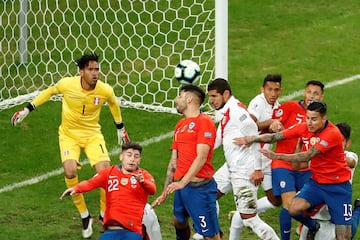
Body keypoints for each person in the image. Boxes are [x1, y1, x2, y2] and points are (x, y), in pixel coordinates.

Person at [11, 53, 129, 238]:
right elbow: (50, 92)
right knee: (70, 171)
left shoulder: (104, 90)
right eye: (90, 69)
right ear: (81, 72)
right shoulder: (68, 84)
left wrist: (120, 128)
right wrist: (28, 109)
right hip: (69, 135)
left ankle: (104, 214)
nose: (95, 73)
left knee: (105, 173)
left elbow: (113, 103)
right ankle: (84, 215)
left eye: (97, 69)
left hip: (92, 135)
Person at [234, 101, 353, 240]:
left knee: (344, 236)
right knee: (293, 208)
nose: (309, 122)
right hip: (317, 183)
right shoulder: (304, 127)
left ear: (324, 119)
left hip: (338, 187)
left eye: (314, 119)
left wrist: (277, 156)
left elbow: (308, 155)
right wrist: (253, 138)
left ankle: (357, 211)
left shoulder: (332, 134)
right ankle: (313, 226)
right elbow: (275, 137)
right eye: (307, 118)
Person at [206, 78, 279, 240]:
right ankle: (214, 233)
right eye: (210, 97)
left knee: (250, 219)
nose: (211, 101)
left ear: (225, 94)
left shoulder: (238, 113)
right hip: (230, 167)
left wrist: (258, 169)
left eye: (214, 96)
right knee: (208, 195)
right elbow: (218, 139)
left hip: (245, 170)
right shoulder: (227, 111)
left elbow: (254, 136)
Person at [151, 84, 221, 240]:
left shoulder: (205, 122)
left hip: (200, 190)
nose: (176, 99)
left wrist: (182, 182)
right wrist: (165, 191)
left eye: (180, 96)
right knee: (178, 221)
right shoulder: (179, 126)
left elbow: (201, 157)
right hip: (183, 188)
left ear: (189, 99)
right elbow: (173, 162)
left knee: (210, 236)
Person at [60, 142, 156, 240]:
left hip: (132, 231)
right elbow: (91, 183)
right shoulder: (109, 173)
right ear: (121, 157)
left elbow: (152, 190)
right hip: (111, 231)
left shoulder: (143, 175)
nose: (132, 159)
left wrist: (143, 182)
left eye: (136, 156)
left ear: (139, 160)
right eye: (129, 155)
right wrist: (76, 188)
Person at [266, 80, 324, 240]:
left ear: (322, 97)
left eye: (316, 93)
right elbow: (272, 123)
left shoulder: (320, 118)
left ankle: (309, 225)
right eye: (309, 92)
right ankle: (312, 226)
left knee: (309, 202)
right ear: (304, 93)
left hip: (305, 167)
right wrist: (274, 125)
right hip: (283, 164)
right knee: (288, 205)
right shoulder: (289, 107)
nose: (311, 96)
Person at [228, 74, 283, 239]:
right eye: (269, 89)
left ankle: (241, 211)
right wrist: (269, 124)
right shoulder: (258, 103)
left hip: (266, 162)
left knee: (275, 200)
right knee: (248, 215)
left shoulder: (278, 105)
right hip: (252, 162)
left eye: (276, 90)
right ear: (262, 89)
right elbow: (249, 126)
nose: (273, 93)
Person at [298, 122, 358, 240]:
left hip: (340, 198)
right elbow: (299, 165)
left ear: (348, 143)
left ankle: (358, 210)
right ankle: (310, 225)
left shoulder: (350, 155)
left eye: (340, 141)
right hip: (323, 198)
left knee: (347, 235)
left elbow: (351, 162)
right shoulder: (321, 155)